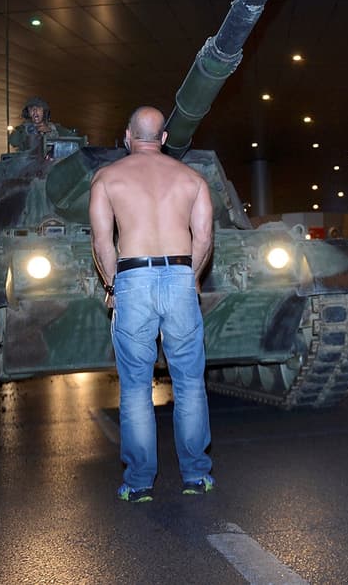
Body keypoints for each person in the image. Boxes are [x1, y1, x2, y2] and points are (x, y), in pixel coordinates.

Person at [89, 105, 216, 502]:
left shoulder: (107, 178)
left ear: (128, 136)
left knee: (135, 388)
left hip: (133, 279)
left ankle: (140, 482)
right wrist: (191, 276)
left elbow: (101, 241)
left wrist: (112, 284)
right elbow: (204, 238)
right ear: (163, 138)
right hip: (179, 277)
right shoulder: (192, 179)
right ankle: (196, 475)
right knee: (190, 384)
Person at [8, 96, 75, 153]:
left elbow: (72, 138)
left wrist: (49, 131)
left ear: (44, 111)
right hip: (28, 161)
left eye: (38, 107)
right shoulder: (23, 128)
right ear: (28, 113)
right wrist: (25, 130)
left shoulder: (55, 128)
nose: (34, 111)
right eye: (31, 109)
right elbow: (13, 142)